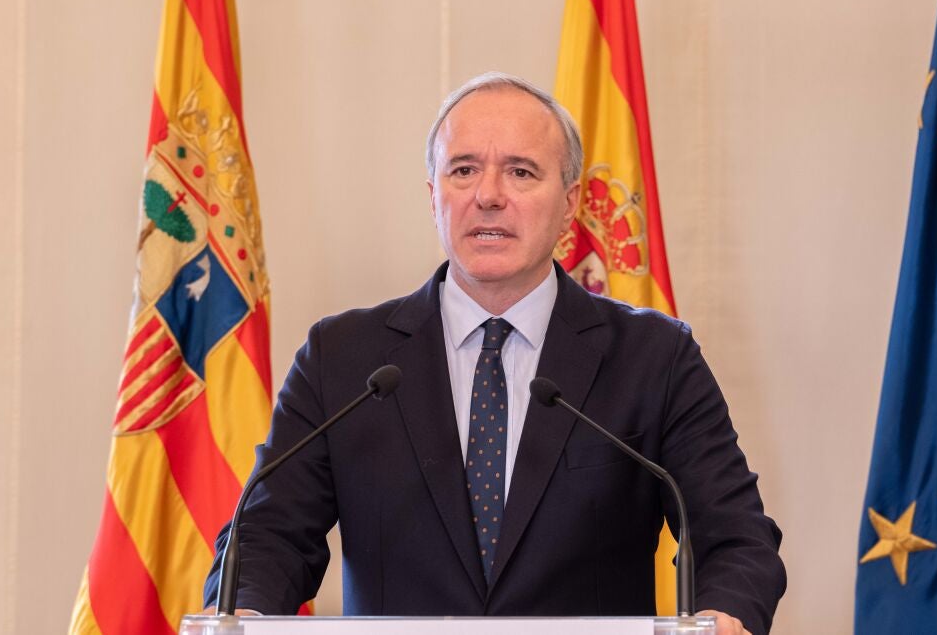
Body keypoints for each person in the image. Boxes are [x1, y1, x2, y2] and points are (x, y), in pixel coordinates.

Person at [203, 72, 786, 635]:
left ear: (570, 203)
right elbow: (268, 534)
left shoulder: (654, 358)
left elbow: (735, 537)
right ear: (433, 196)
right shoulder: (343, 359)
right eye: (463, 170)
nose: (488, 196)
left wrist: (724, 615)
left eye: (521, 172)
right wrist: (244, 613)